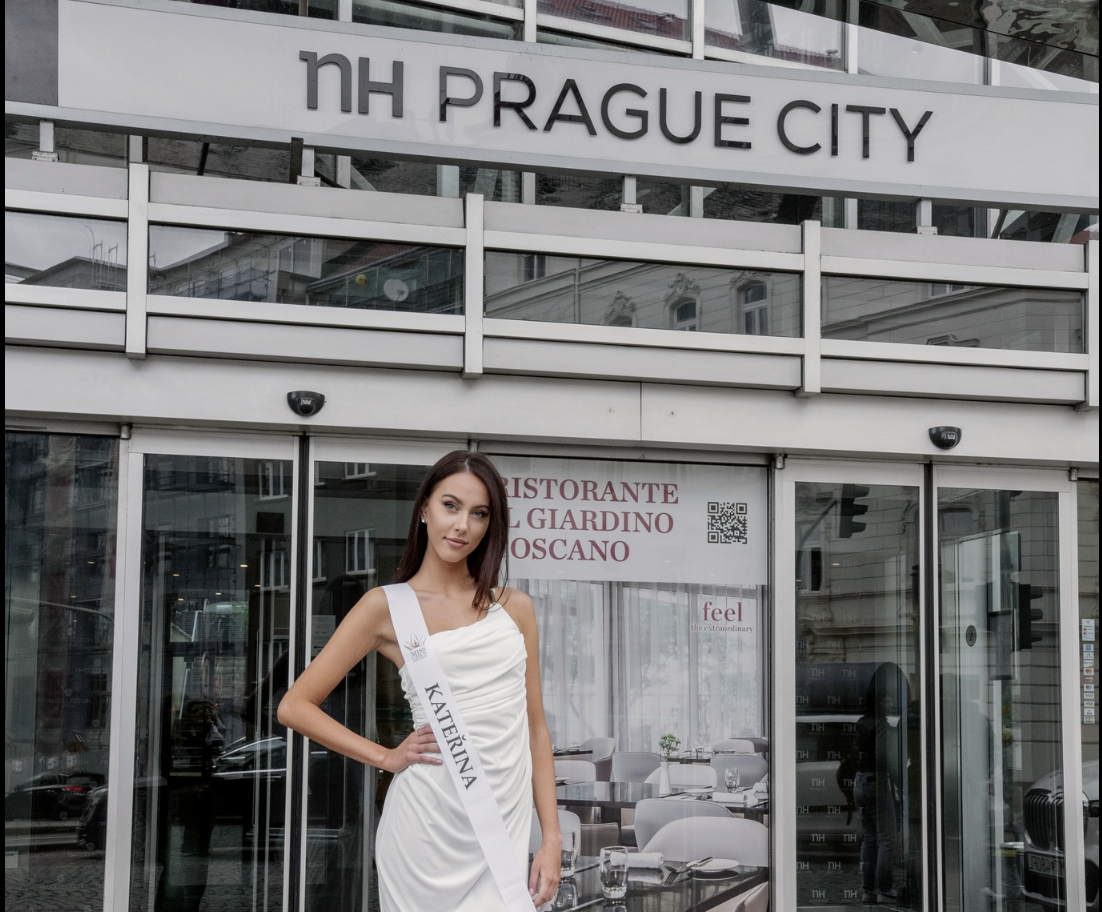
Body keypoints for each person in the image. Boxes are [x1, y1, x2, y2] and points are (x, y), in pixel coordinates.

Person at [278, 450, 561, 911]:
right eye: (451, 505)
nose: (462, 525)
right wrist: (386, 757)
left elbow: (536, 729)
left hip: (502, 827)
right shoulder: (385, 607)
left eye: (479, 513)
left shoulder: (516, 608)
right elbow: (295, 705)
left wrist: (551, 838)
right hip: (425, 830)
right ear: (425, 509)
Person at [854, 671, 903, 905]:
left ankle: (868, 890)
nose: (891, 703)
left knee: (869, 839)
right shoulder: (881, 725)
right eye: (887, 700)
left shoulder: (861, 723)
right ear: (878, 702)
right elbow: (885, 758)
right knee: (887, 839)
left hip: (860, 782)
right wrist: (898, 784)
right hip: (877, 782)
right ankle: (885, 889)